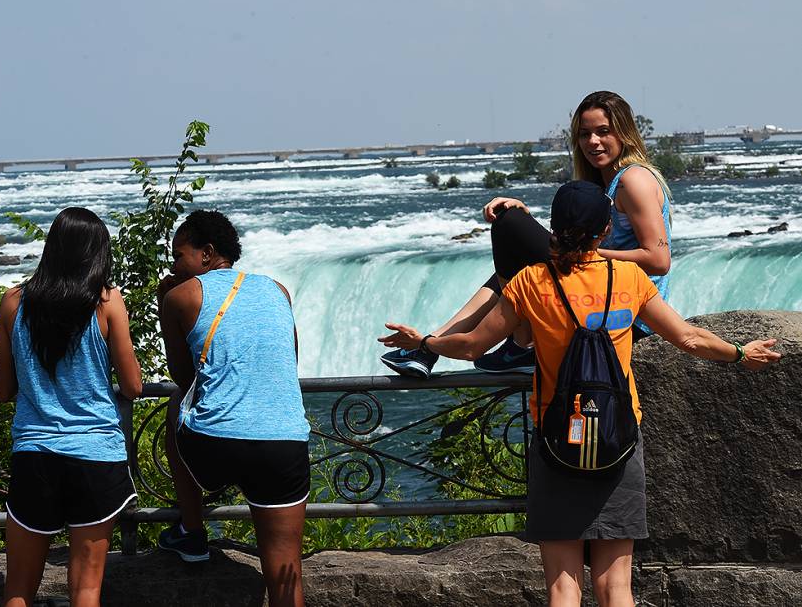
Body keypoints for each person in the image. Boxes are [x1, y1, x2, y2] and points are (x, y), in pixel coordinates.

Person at [379, 181, 780, 607]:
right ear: (605, 232)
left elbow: (473, 345)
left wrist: (425, 343)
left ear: (554, 228)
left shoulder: (531, 282)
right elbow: (689, 338)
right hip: (618, 437)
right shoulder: (628, 277)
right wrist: (739, 352)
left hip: (557, 439)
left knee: (563, 587)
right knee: (615, 586)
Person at [381, 90, 672, 378]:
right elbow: (586, 241)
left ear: (624, 133)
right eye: (585, 134)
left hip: (626, 316)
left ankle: (520, 342)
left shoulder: (633, 180)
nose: (592, 142)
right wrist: (540, 227)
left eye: (603, 131)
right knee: (516, 239)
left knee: (509, 224)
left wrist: (579, 252)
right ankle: (429, 349)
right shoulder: (604, 184)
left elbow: (658, 259)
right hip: (602, 302)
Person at [157, 210, 309, 607]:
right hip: (284, 442)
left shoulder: (179, 295)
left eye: (179, 255)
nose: (174, 265)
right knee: (285, 577)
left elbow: (182, 376)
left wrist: (164, 301)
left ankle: (192, 531)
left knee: (178, 404)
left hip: (215, 446)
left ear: (206, 254)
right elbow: (288, 361)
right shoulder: (278, 289)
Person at [0, 207, 141, 607]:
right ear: (97, 253)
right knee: (86, 590)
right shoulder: (107, 301)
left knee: (18, 591)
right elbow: (132, 385)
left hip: (35, 456)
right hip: (95, 457)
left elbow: (3, 390)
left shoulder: (12, 303)